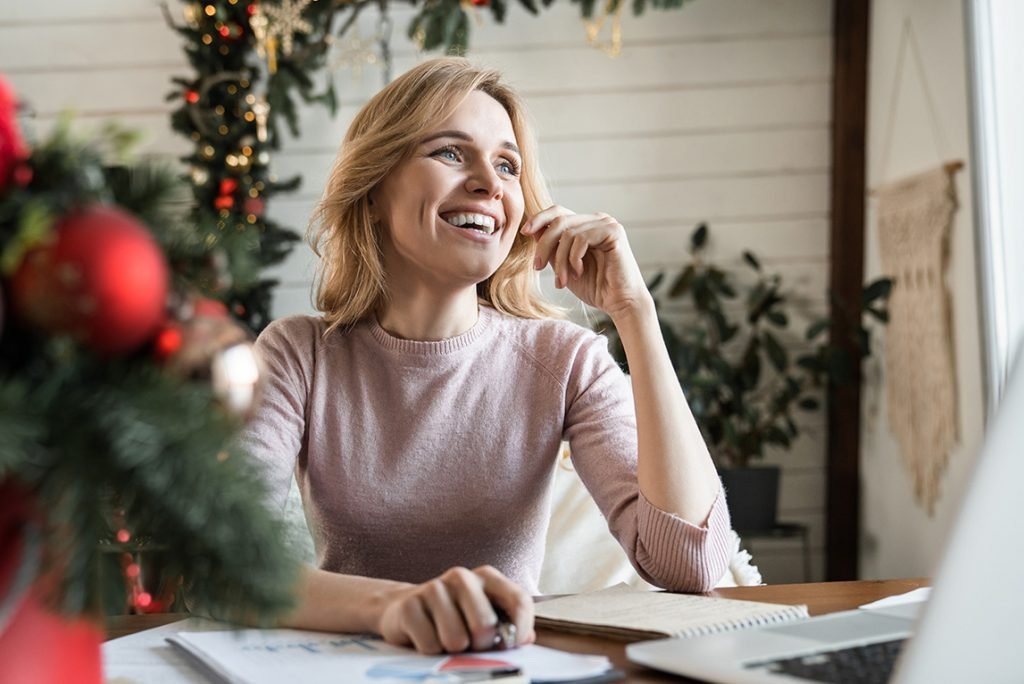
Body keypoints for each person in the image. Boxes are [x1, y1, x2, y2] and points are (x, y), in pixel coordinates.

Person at [240, 57, 733, 656]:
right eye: (451, 153)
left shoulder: (567, 359)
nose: (490, 184)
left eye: (507, 165)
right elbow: (223, 567)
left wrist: (635, 313)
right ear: (372, 190)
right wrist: (396, 606)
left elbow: (688, 568)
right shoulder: (298, 355)